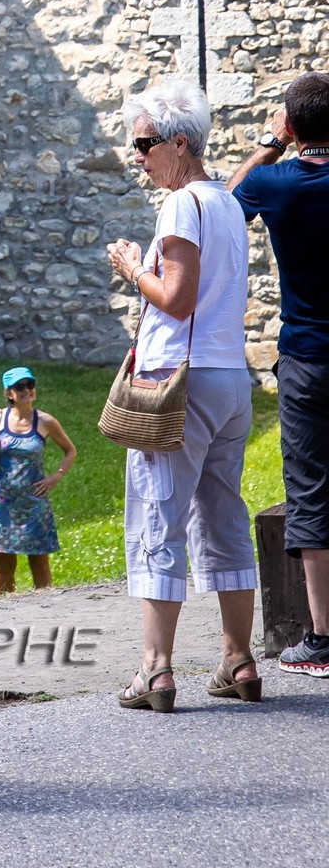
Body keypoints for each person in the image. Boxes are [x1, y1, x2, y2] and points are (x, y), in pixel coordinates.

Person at [106, 77, 260, 711]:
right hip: (229, 374)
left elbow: (176, 297)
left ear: (177, 143)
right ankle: (238, 658)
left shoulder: (179, 206)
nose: (137, 157)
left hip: (178, 378)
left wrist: (130, 267)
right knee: (224, 512)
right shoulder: (226, 203)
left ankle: (156, 668)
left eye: (143, 144)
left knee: (155, 513)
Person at [229, 69, 329, 677]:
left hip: (307, 357)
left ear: (290, 126)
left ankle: (321, 638)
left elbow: (217, 204)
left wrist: (271, 144)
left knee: (312, 488)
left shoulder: (274, 183)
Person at [0, 367, 75, 590]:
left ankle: (47, 612)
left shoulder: (46, 422)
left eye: (29, 385)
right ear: (9, 393)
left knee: (40, 565)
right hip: (3, 504)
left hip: (34, 503)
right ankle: (1, 614)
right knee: (5, 568)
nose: (26, 390)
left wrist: (55, 477)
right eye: (19, 386)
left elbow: (70, 450)